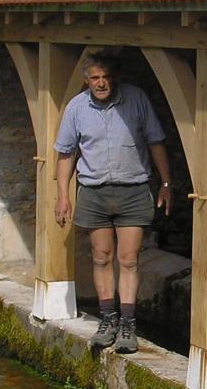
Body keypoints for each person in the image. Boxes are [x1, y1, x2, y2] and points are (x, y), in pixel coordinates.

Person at [54, 52, 172, 353]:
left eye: (105, 77)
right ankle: (107, 319)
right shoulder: (77, 108)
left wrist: (166, 184)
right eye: (95, 78)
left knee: (129, 258)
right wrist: (63, 196)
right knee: (101, 256)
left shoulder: (136, 99)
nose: (101, 83)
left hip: (133, 190)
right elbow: (66, 153)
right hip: (94, 192)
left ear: (114, 77)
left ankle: (128, 325)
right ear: (87, 80)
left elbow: (155, 141)